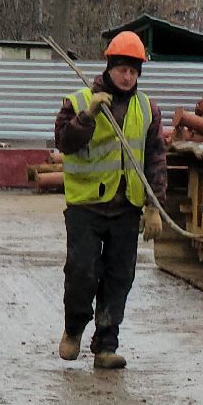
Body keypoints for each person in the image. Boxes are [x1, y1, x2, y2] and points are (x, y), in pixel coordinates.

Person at [53, 30, 167, 370]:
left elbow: (155, 159)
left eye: (133, 71)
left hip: (126, 207)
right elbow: (64, 142)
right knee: (83, 273)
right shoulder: (79, 101)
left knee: (119, 277)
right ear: (109, 68)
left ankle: (106, 344)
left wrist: (154, 206)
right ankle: (74, 330)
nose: (127, 76)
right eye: (122, 69)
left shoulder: (147, 109)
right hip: (86, 206)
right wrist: (87, 116)